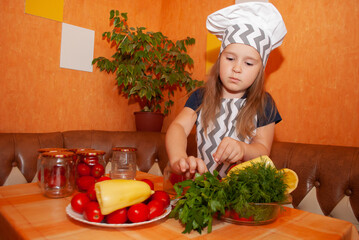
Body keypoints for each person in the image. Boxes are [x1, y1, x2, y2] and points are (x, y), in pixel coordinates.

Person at [165, 2, 287, 179]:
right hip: (204, 188)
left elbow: (262, 149)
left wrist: (243, 149)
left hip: (241, 192)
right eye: (230, 58)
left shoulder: (264, 103)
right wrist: (178, 158)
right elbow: (178, 127)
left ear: (260, 70)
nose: (237, 68)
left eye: (248, 63)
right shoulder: (201, 96)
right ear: (220, 59)